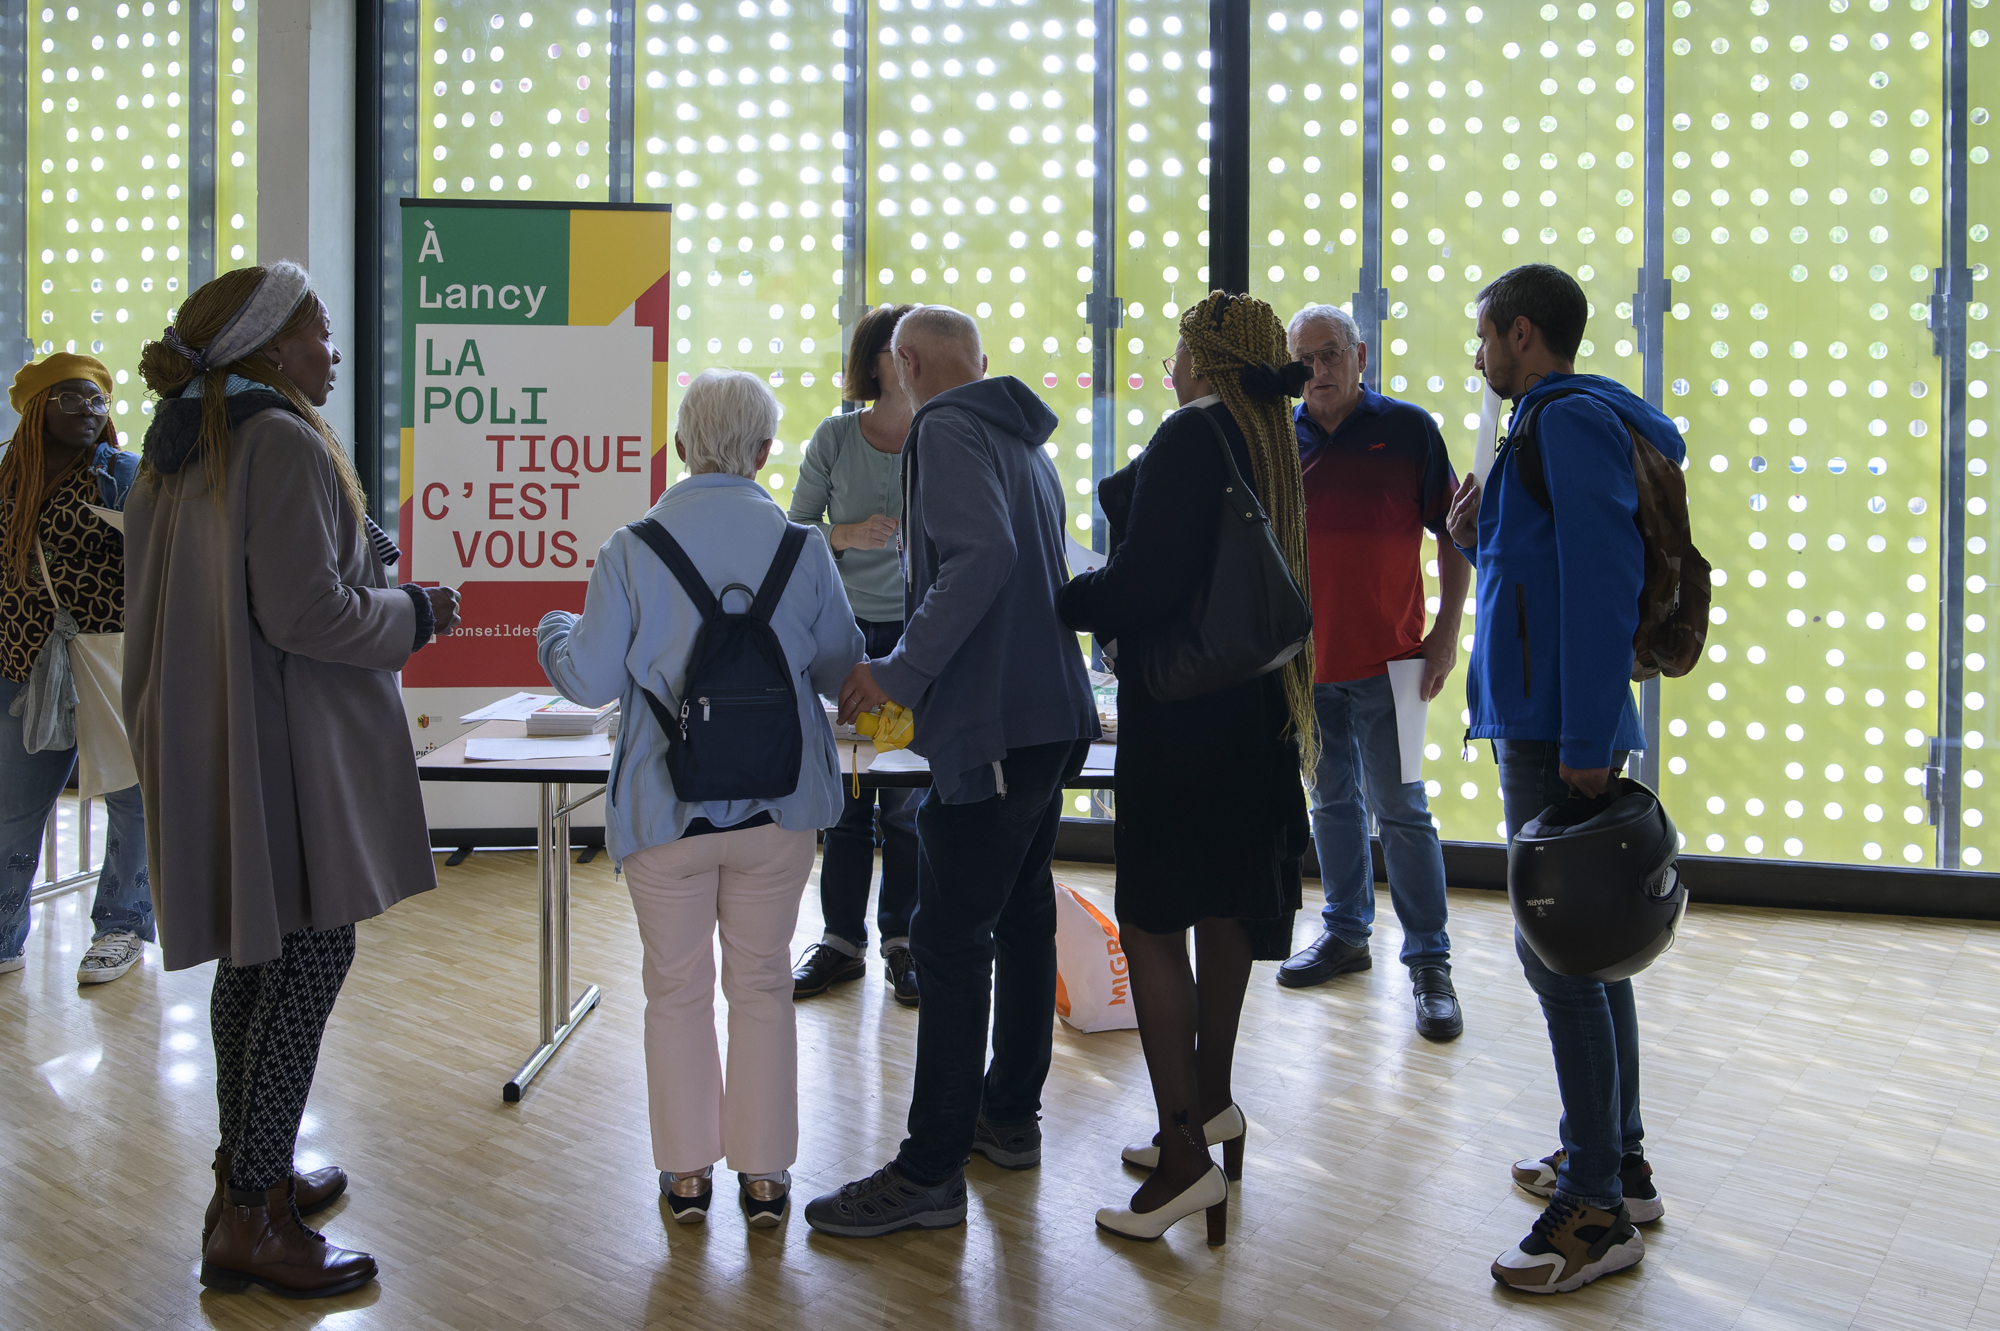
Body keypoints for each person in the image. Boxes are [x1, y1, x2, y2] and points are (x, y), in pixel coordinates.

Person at [126, 262, 460, 1299]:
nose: (334, 350)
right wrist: (418, 610)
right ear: (270, 346)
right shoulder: (277, 438)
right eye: (318, 332)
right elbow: (308, 614)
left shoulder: (185, 439)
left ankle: (248, 1177)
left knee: (254, 953)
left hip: (215, 732)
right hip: (286, 742)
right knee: (311, 954)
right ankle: (252, 1219)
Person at [539, 369, 863, 1229]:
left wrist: (552, 633)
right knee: (761, 983)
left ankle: (687, 1177)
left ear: (681, 446)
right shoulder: (805, 547)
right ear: (765, 452)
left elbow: (590, 678)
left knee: (675, 988)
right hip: (780, 807)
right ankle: (765, 1180)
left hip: (664, 805)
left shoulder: (630, 548)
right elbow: (839, 668)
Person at [804, 305, 1098, 1237]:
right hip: (1047, 717)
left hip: (1001, 723)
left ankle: (931, 1168)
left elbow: (981, 557)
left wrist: (899, 668)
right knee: (1017, 910)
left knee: (948, 934)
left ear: (910, 364)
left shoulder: (946, 426)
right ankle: (1007, 1116)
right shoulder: (1022, 438)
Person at [1058, 293, 1314, 1244]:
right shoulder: (1269, 442)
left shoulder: (1189, 437)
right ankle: (1210, 1110)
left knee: (1153, 919)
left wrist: (1062, 592)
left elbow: (1144, 585)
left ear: (1203, 357)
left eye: (1176, 348)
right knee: (1221, 907)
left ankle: (1180, 1161)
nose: (1168, 366)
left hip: (1185, 722)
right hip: (1256, 719)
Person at [1445, 263, 1679, 1293]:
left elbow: (1599, 577)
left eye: (1484, 335)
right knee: (1585, 952)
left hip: (1558, 729)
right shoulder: (1543, 424)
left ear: (1521, 333)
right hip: (1540, 717)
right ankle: (1615, 1163)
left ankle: (1592, 1207)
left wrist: (1590, 729)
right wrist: (1471, 533)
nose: (1479, 353)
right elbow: (1538, 564)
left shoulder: (1563, 420)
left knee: (1561, 960)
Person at [1275, 304, 1470, 1042]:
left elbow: (1455, 536)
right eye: (1303, 359)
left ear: (1360, 354)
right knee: (1330, 806)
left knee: (1402, 811)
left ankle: (1429, 962)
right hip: (1307, 666)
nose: (1316, 371)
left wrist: (1446, 633)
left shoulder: (1410, 430)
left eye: (1329, 354)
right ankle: (1347, 933)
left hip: (1395, 661)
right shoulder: (1276, 439)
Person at [0, 354, 155, 984]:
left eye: (95, 399)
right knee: (14, 805)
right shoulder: (8, 480)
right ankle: (5, 931)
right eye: (71, 398)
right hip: (20, 663)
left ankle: (121, 926)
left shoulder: (123, 476)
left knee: (130, 797)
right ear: (38, 408)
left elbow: (164, 561)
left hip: (107, 659)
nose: (88, 410)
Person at [786, 302, 921, 1006]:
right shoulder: (835, 437)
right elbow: (791, 531)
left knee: (906, 798)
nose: (907, 360)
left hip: (918, 637)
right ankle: (843, 941)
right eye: (897, 349)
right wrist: (844, 537)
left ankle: (904, 941)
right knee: (846, 795)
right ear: (873, 361)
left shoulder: (940, 433)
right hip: (844, 635)